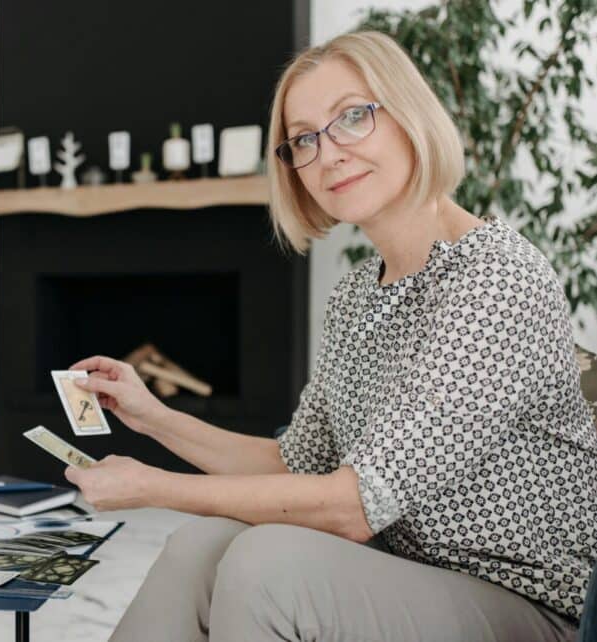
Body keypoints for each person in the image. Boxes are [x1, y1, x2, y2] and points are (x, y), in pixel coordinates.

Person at [61, 30, 596, 642]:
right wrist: (151, 415)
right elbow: (295, 463)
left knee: (266, 567)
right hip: (406, 571)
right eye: (304, 139)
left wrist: (153, 488)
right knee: (199, 546)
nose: (329, 153)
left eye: (353, 117)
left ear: (408, 116)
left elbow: (350, 507)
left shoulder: (494, 279)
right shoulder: (357, 295)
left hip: (523, 603)